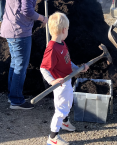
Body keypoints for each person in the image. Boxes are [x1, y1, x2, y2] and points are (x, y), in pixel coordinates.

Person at [0, 0, 49, 110]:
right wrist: (42, 18)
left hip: (9, 26)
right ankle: (16, 100)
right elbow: (27, 11)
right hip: (19, 30)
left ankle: (12, 95)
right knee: (20, 65)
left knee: (15, 63)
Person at [40, 12, 88, 145]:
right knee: (61, 109)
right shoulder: (52, 49)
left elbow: (67, 62)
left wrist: (77, 68)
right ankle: (53, 137)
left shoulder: (62, 43)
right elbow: (43, 68)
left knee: (67, 103)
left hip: (67, 80)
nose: (68, 31)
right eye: (68, 28)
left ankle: (65, 123)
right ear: (63, 30)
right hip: (60, 84)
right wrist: (52, 81)